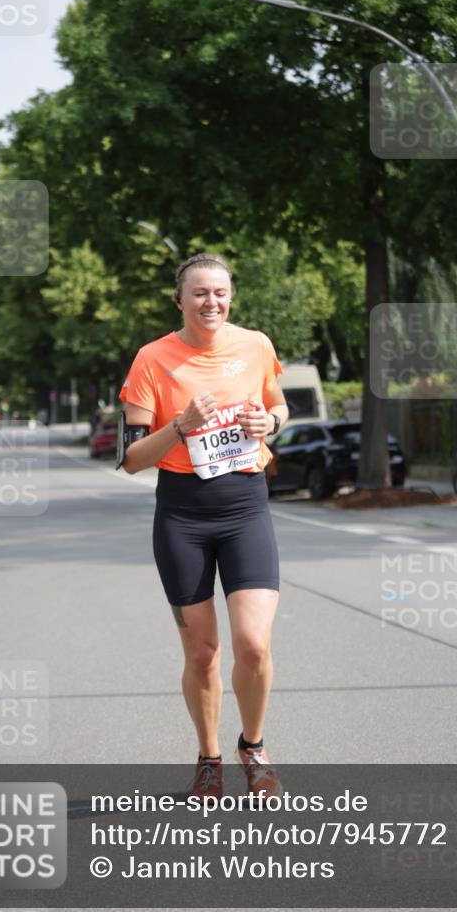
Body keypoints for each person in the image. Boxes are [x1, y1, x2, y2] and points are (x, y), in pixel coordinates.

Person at [120, 253, 289, 799]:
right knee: (202, 654)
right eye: (199, 293)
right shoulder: (152, 359)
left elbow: (279, 406)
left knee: (254, 645)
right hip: (182, 516)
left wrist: (273, 422)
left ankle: (253, 747)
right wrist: (180, 426)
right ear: (179, 300)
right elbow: (131, 458)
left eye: (220, 292)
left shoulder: (256, 345)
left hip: (246, 507)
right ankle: (209, 758)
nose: (211, 301)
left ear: (230, 297)